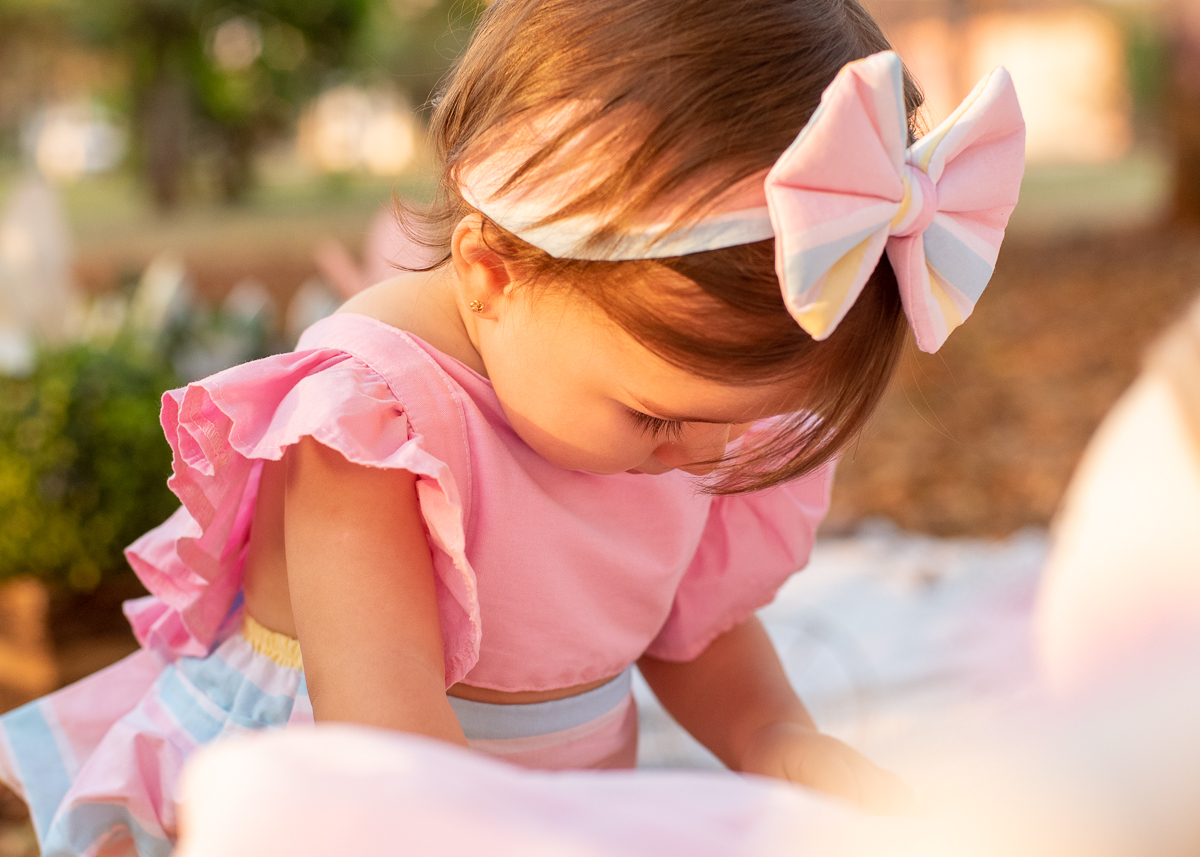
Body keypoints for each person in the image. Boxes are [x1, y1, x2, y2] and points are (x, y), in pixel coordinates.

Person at [0, 1, 1025, 854]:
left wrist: (775, 733)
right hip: (330, 805)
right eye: (661, 419)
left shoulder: (655, 401)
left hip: (526, 808)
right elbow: (393, 757)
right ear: (494, 273)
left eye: (739, 422)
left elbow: (681, 619)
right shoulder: (368, 424)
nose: (706, 460)